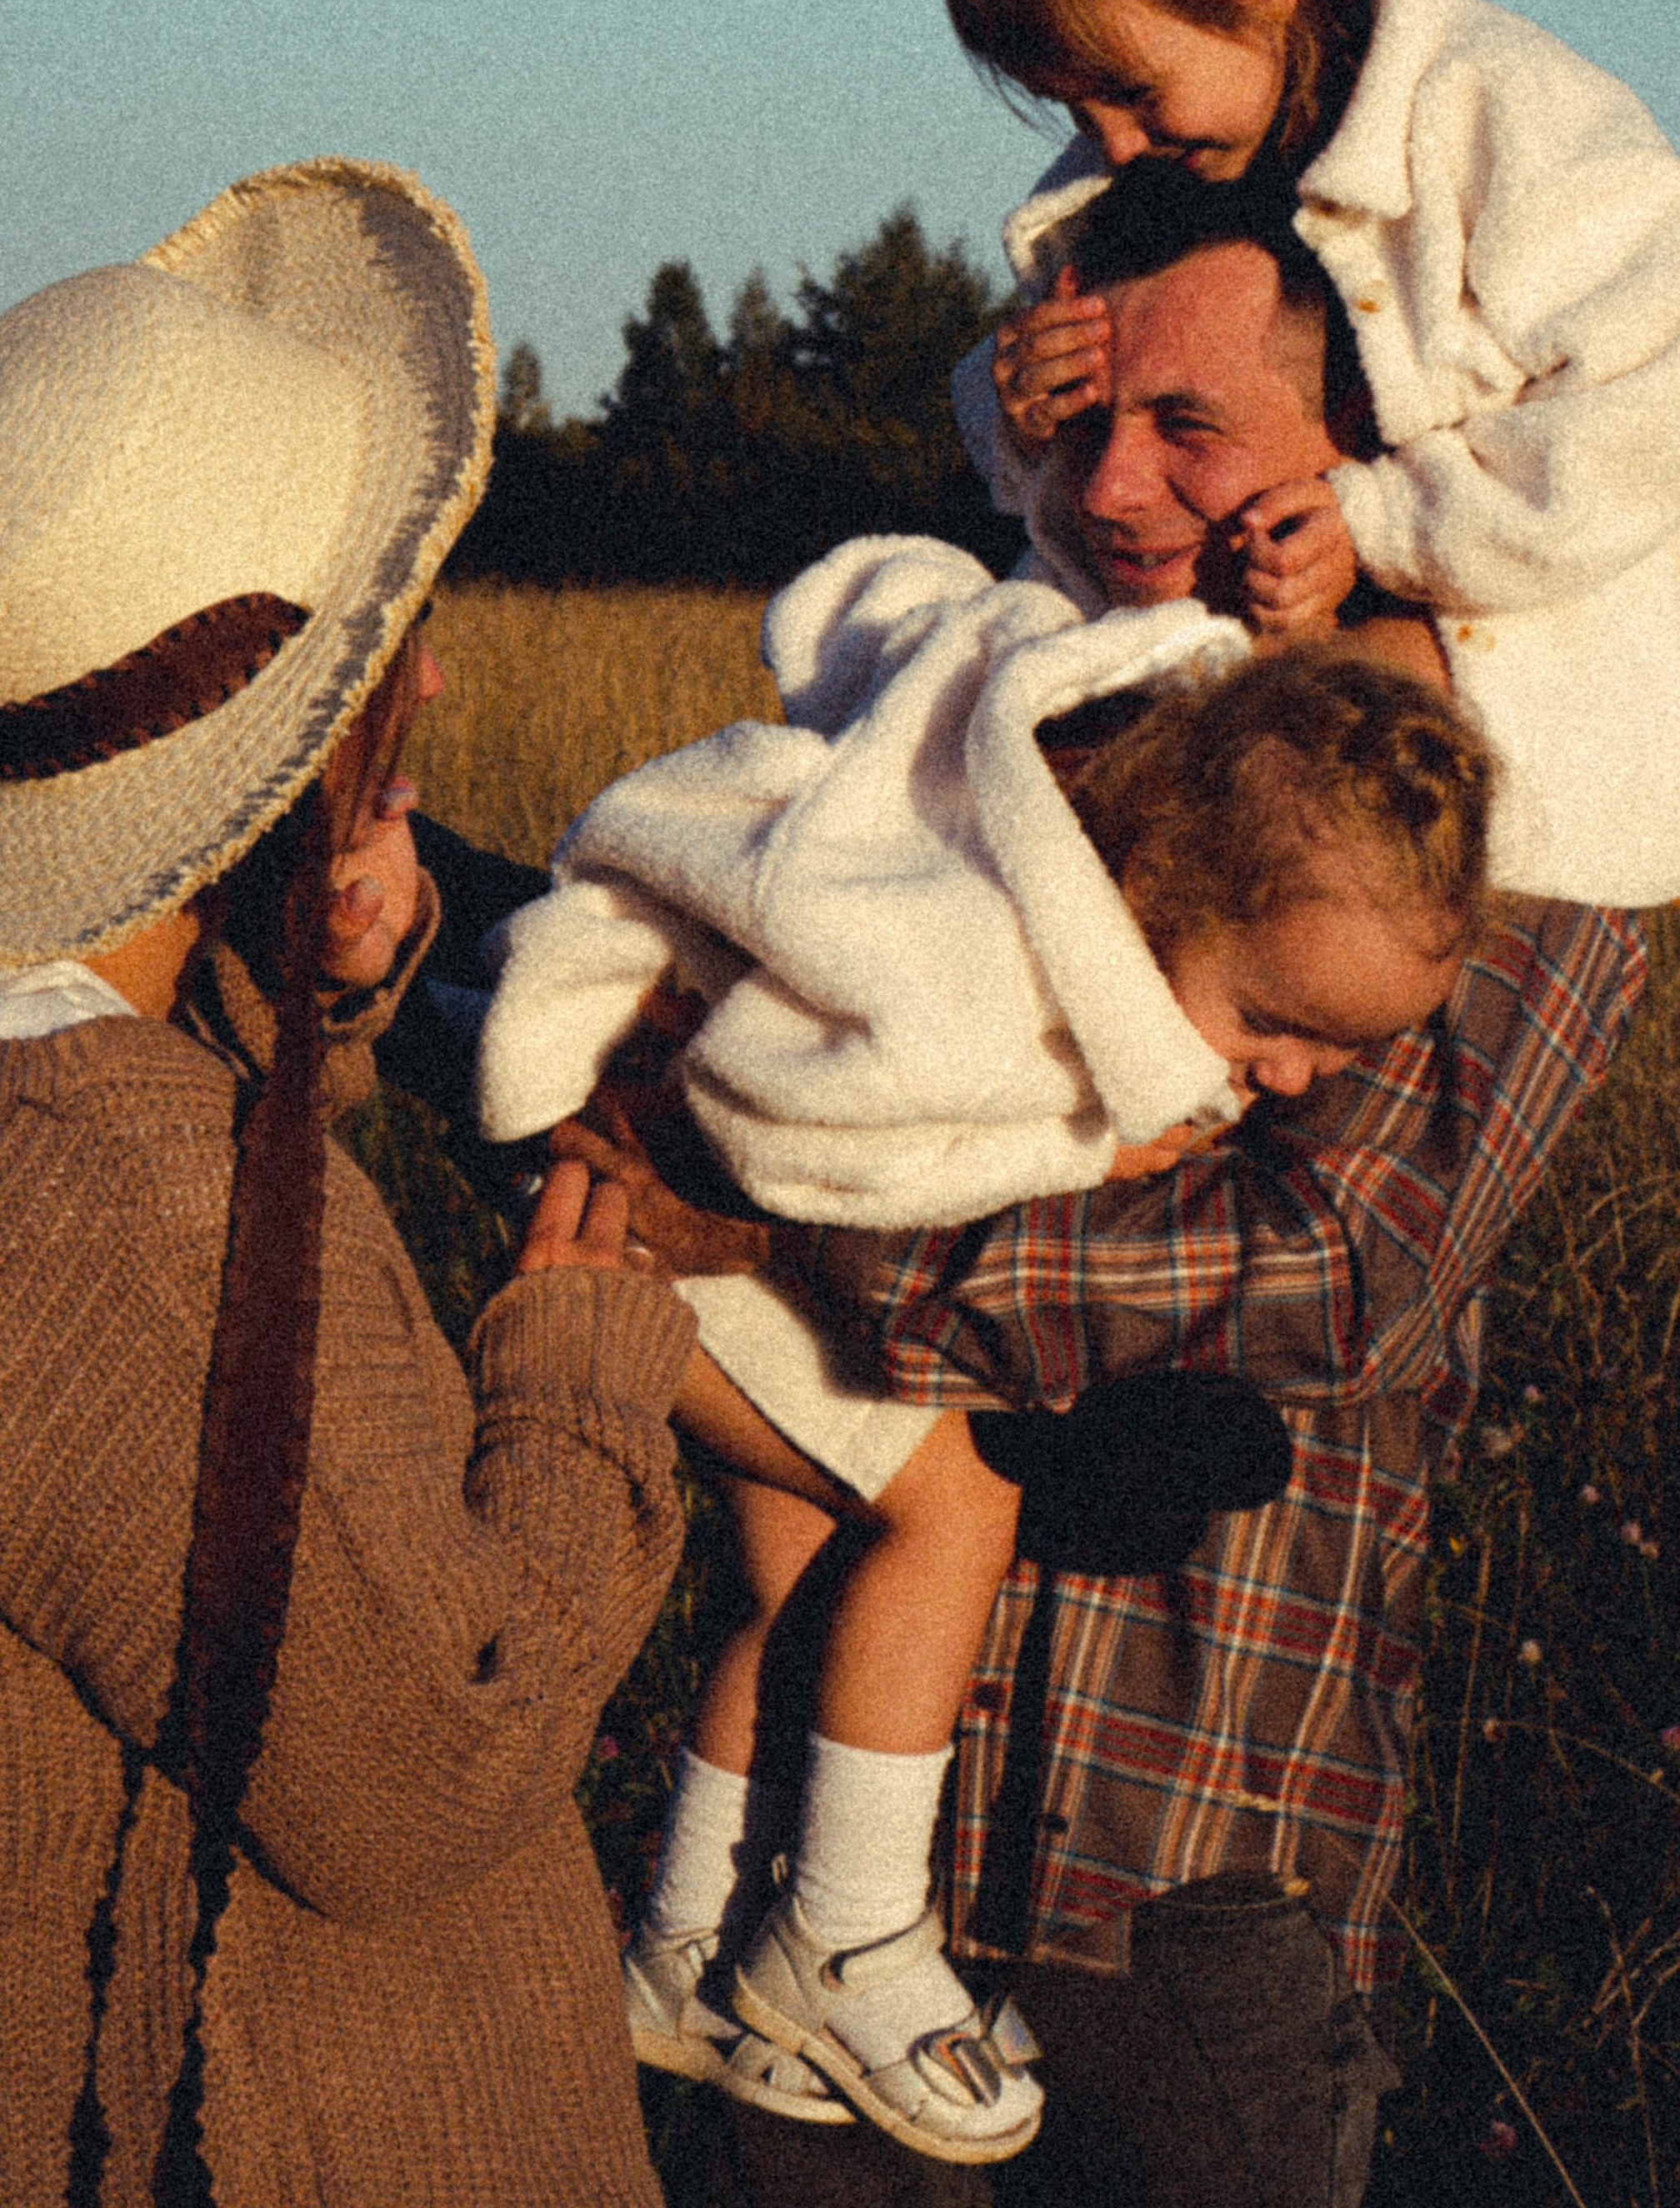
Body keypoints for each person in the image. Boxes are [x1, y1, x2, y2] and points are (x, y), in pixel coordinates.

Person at [568, 192, 1648, 2208]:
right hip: (845, 1828)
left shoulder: (1485, 806)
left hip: (1172, 1855)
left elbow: (1328, 1268)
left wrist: (756, 1214)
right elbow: (693, 982)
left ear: (1361, 459)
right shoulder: (988, 749)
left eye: (1197, 428)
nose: (1123, 486)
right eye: (1074, 424)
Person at [478, 529, 1493, 2162]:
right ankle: (850, 1936)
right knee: (955, 1511)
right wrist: (1081, 1159)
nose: (1293, 1078)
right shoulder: (974, 963)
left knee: (804, 1578)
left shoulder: (1115, 932)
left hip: (634, 1214)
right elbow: (791, 1134)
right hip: (638, 1213)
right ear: (1159, 902)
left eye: (1335, 1048)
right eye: (1271, 1027)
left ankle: (678, 1951)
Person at [0, 159, 726, 2208]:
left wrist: (287, 993)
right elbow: (415, 1764)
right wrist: (578, 1381)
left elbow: (203, 1459)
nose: (435, 684)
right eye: (393, 648)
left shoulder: (78, 1102)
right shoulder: (103, 1195)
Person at [947, 0, 1680, 909]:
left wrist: (1379, 519)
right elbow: (1096, 454)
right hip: (1306, 636)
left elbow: (1649, 410)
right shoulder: (1161, 156)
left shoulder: (1516, 120)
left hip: (1574, 642)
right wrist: (1019, 406)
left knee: (1255, 797)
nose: (1113, 143)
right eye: (1077, 107)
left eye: (1132, 91)